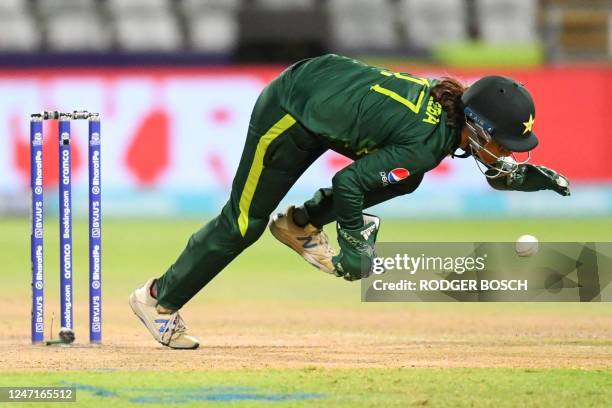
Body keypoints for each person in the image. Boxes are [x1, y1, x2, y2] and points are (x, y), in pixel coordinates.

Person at [128, 54, 570, 349]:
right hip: (291, 108)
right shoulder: (425, 143)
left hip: (322, 104)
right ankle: (157, 300)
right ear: (472, 127)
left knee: (407, 180)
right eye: (502, 142)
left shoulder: (447, 112)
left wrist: (513, 175)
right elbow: (349, 184)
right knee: (243, 223)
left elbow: (375, 174)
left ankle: (300, 223)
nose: (506, 150)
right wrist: (356, 246)